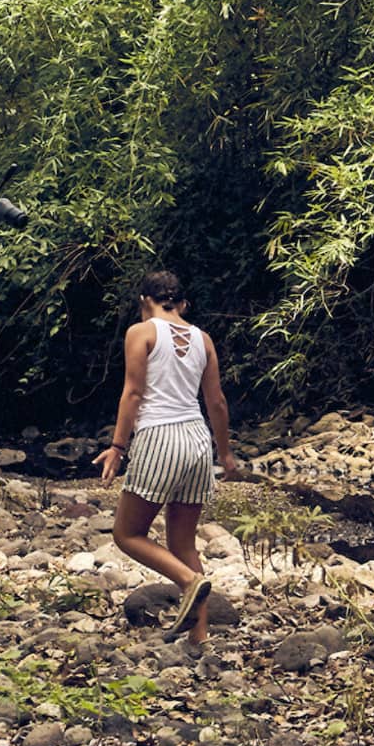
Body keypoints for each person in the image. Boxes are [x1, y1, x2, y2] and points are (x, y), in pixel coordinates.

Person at [94, 269, 239, 647]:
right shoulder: (202, 338)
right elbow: (217, 401)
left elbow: (133, 393)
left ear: (144, 301)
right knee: (184, 544)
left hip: (159, 438)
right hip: (197, 441)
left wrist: (117, 446)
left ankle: (189, 581)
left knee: (127, 534)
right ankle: (199, 636)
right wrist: (224, 452)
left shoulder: (140, 332)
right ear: (183, 304)